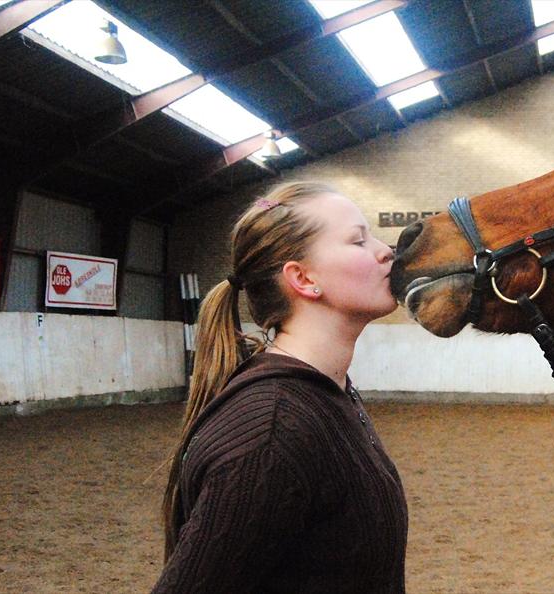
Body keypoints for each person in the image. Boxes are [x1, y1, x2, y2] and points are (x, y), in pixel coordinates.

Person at [152, 181, 407, 593]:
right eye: (358, 241)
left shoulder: (327, 394)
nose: (384, 251)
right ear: (303, 278)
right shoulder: (273, 433)